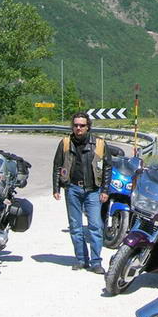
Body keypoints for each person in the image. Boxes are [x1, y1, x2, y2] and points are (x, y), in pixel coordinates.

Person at [52, 112, 122, 273]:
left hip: (93, 190)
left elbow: (107, 168)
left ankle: (96, 262)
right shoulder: (65, 143)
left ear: (88, 126)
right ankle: (81, 260)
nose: (78, 128)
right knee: (75, 227)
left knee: (96, 226)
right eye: (76, 125)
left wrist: (105, 190)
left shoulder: (99, 143)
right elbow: (57, 166)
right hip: (72, 189)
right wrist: (56, 188)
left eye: (82, 125)